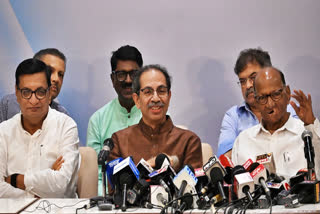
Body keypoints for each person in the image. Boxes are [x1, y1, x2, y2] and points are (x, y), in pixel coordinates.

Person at [0, 58, 79, 198]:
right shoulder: (4, 131)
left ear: (49, 94)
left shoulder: (66, 126)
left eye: (40, 92)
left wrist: (16, 180)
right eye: (26, 92)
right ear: (17, 94)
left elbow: (61, 185)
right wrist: (38, 193)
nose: (34, 100)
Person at [109, 64, 203, 172]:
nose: (155, 98)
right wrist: (146, 166)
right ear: (137, 100)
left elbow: (193, 187)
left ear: (169, 96)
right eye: (148, 92)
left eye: (161, 91)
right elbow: (115, 188)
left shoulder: (188, 141)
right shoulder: (119, 141)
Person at [232, 67, 320, 179]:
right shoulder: (243, 141)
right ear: (256, 100)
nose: (270, 104)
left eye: (275, 95)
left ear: (287, 93)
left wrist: (311, 124)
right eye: (262, 98)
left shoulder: (307, 133)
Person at [217, 48, 297, 157]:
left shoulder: (290, 109)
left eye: (253, 78)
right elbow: (225, 159)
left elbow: (300, 146)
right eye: (242, 81)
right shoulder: (233, 116)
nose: (248, 85)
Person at [86, 45, 143, 195]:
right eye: (121, 74)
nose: (128, 80)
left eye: (134, 74)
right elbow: (96, 173)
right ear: (112, 79)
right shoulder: (98, 120)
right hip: (109, 198)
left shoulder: (156, 115)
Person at [0, 48, 68, 123]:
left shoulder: (63, 116)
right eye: (49, 70)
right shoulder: (8, 104)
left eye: (60, 74)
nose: (56, 79)